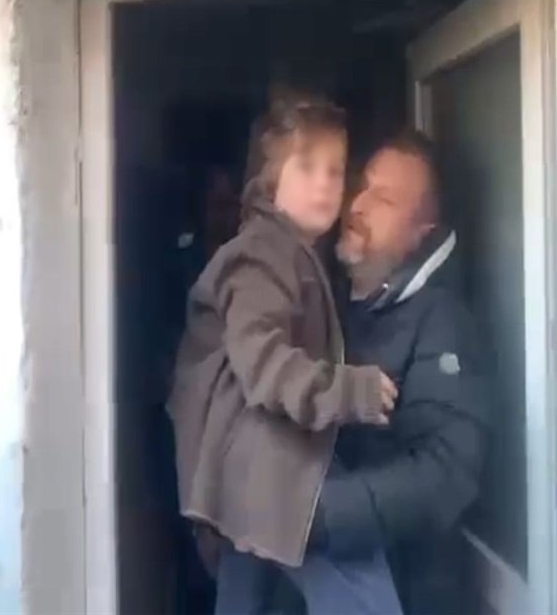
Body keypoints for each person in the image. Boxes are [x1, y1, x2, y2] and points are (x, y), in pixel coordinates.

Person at [167, 93, 401, 615]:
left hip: (239, 471)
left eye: (336, 170)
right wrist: (351, 390)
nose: (325, 183)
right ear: (270, 181)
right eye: (307, 166)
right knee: (359, 581)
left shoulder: (291, 252)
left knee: (245, 599)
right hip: (264, 461)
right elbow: (265, 366)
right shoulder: (261, 254)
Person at [310, 131, 491, 614]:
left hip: (410, 592)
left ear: (421, 232)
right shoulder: (332, 300)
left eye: (385, 199)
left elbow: (445, 473)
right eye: (363, 186)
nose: (358, 205)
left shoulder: (443, 322)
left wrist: (317, 512)